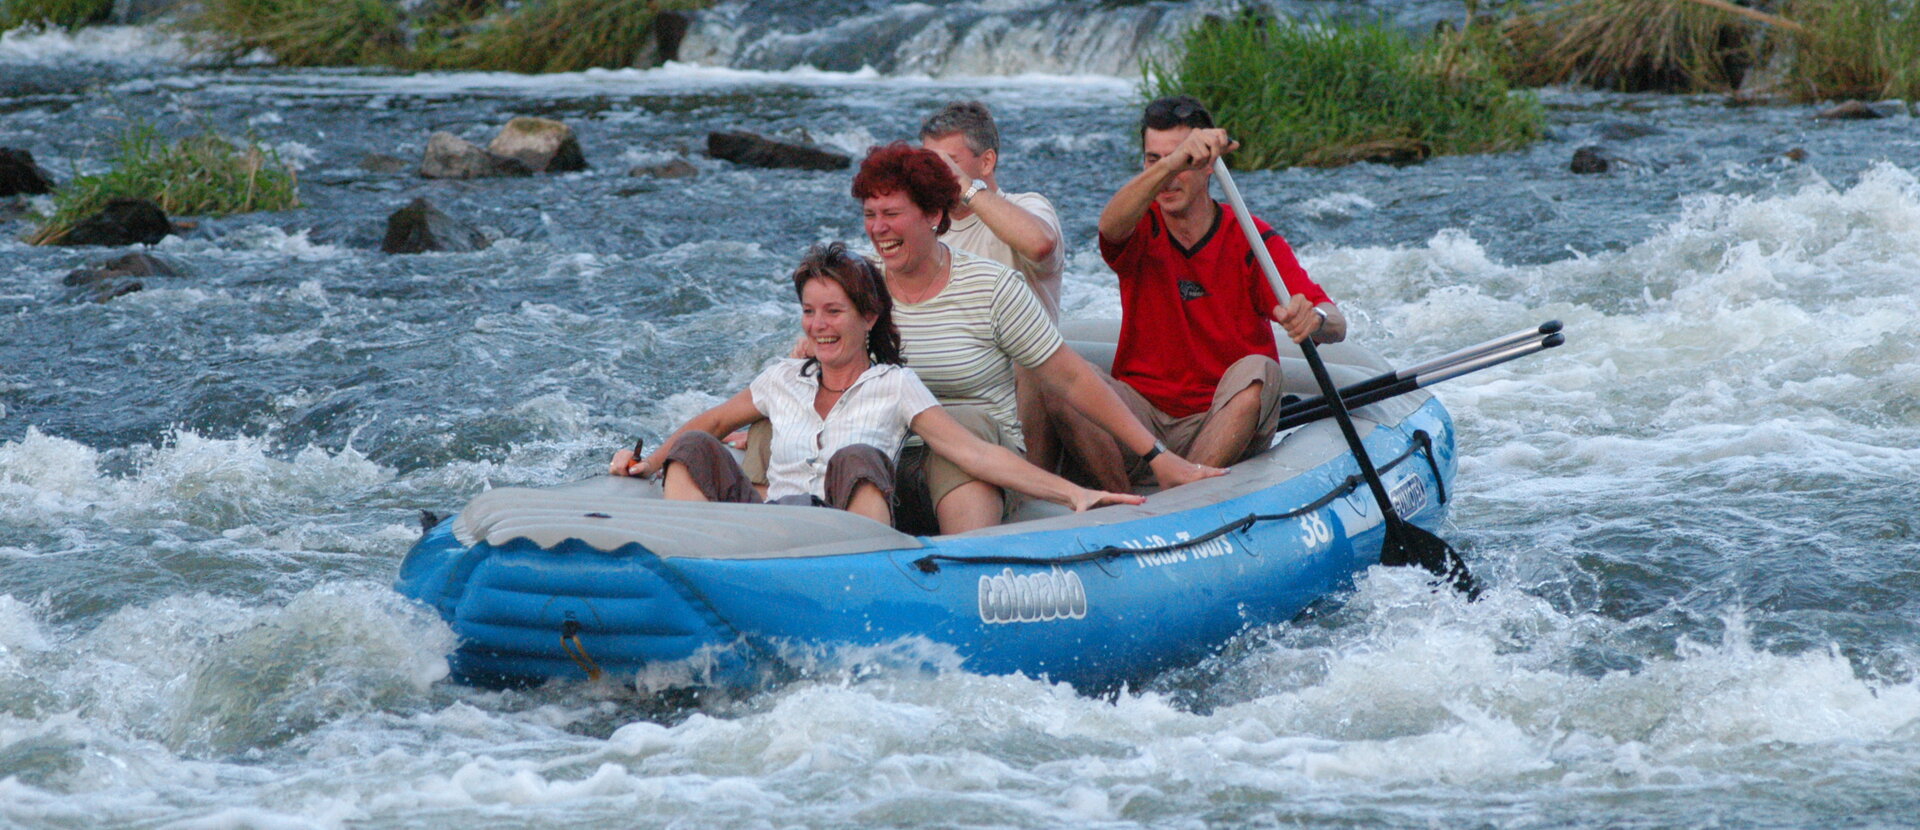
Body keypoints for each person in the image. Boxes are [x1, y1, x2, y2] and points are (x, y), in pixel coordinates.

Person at [609, 242, 1142, 524]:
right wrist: (646, 464)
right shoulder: (782, 378)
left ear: (867, 318)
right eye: (810, 312)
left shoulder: (895, 384)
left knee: (857, 458)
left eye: (834, 311)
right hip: (765, 532)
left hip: (844, 539)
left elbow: (973, 454)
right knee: (696, 447)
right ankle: (695, 565)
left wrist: (1075, 494)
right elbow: (715, 421)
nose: (819, 325)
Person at [855, 141, 1222, 535]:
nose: (878, 228)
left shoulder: (991, 286)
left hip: (986, 461)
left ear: (931, 215)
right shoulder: (857, 286)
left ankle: (969, 566)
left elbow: (1071, 378)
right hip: (892, 457)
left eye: (891, 214)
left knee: (963, 421)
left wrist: (1157, 455)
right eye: (870, 215)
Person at [1086, 95, 1348, 485]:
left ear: (1209, 164)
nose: (1169, 177)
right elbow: (1109, 227)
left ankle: (1182, 493)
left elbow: (1336, 323)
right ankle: (1116, 504)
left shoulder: (1249, 235)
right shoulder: (1138, 225)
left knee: (1259, 369)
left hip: (1220, 419)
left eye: (1182, 160)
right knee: (1061, 375)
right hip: (1141, 421)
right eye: (1153, 161)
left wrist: (1316, 318)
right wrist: (1174, 161)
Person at [919, 100, 1116, 489]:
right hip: (946, 385)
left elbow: (1040, 244)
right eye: (928, 162)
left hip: (1017, 393)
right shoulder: (920, 225)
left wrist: (964, 188)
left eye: (949, 162)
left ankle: (1039, 493)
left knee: (1031, 361)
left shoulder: (1027, 206)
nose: (935, 174)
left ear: (986, 163)